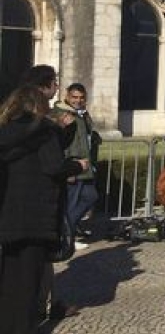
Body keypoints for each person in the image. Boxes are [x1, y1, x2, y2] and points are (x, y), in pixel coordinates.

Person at [0, 85, 86, 334]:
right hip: (37, 211)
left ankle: (5, 327)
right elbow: (53, 167)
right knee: (31, 276)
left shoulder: (5, 131)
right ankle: (25, 333)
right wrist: (76, 165)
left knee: (10, 274)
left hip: (9, 211)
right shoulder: (43, 131)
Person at [52, 82, 100, 249]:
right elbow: (60, 144)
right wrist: (67, 169)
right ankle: (65, 236)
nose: (78, 100)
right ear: (67, 96)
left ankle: (67, 232)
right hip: (72, 167)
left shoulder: (83, 115)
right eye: (74, 97)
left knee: (90, 196)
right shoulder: (61, 114)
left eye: (81, 97)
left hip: (85, 166)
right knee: (71, 203)